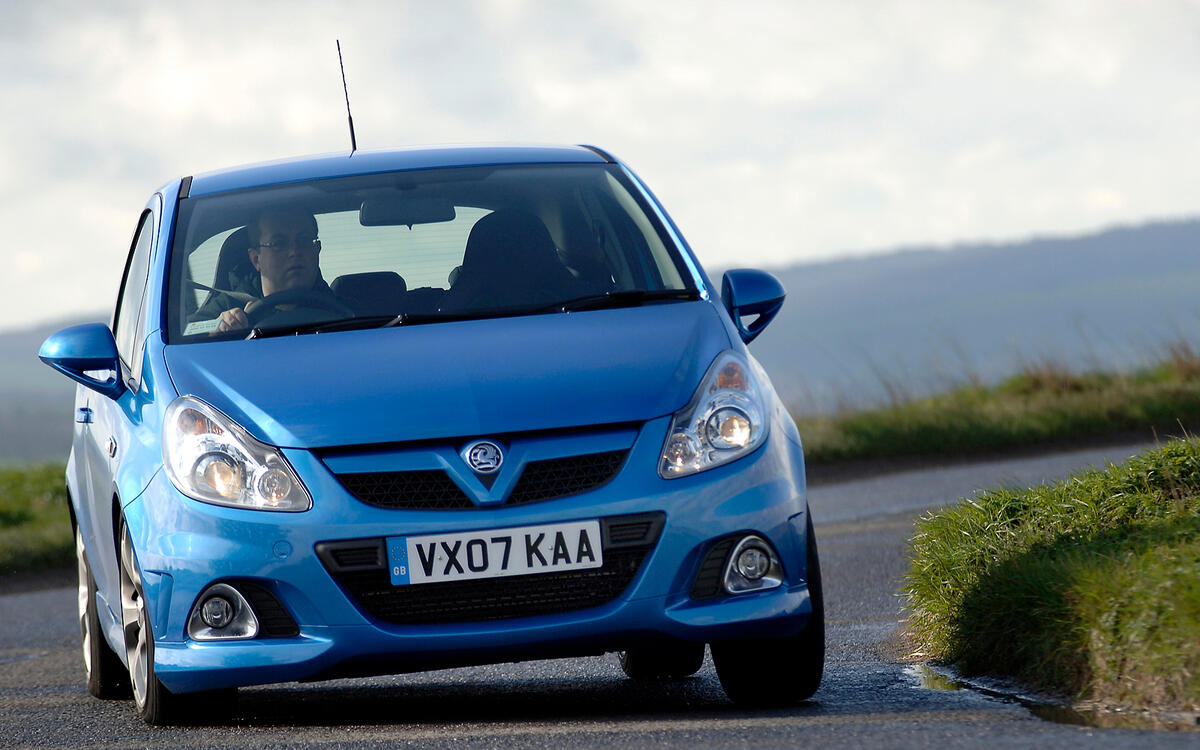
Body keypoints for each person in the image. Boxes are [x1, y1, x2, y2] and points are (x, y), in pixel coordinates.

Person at [206, 207, 333, 333]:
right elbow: (190, 335)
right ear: (256, 259)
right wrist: (215, 330)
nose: (295, 251)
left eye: (304, 240)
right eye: (278, 244)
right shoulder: (227, 308)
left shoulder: (347, 311)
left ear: (317, 249)